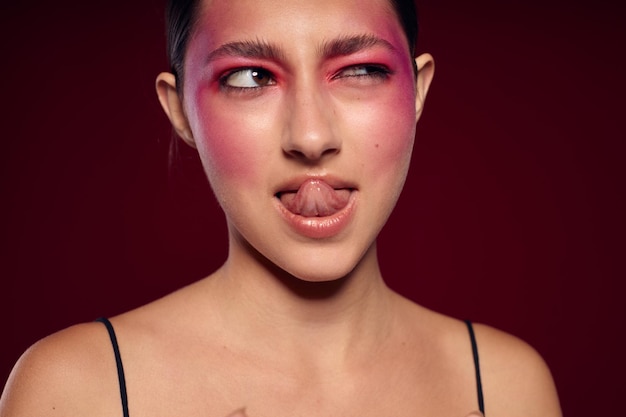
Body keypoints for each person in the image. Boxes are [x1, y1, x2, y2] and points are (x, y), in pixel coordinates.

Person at [0, 0, 562, 416]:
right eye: (250, 77)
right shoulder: (76, 390)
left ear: (416, 91)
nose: (311, 137)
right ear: (179, 113)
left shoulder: (508, 386)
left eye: (360, 70)